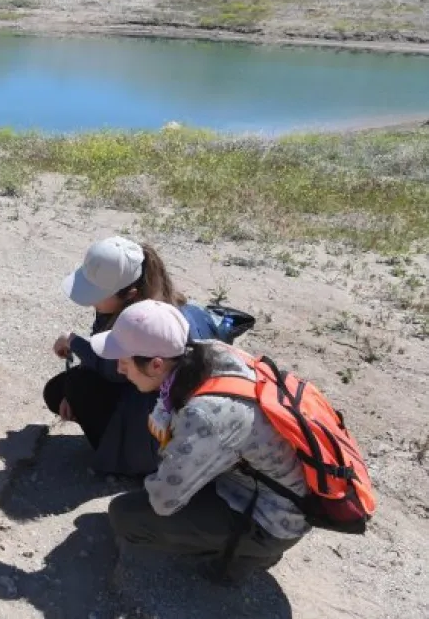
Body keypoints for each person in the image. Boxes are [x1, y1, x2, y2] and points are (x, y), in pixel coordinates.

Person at [91, 300, 309, 581]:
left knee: (125, 515)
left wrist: (161, 477)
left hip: (273, 519)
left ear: (157, 365)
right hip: (266, 484)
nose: (120, 370)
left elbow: (163, 501)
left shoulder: (203, 415)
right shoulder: (208, 351)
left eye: (124, 362)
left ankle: (252, 552)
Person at [44, 236, 219, 477]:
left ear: (130, 294)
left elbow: (115, 369)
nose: (91, 302)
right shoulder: (149, 305)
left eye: (97, 294)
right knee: (61, 389)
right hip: (153, 396)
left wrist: (74, 342)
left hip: (156, 427)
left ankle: (125, 459)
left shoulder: (145, 326)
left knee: (75, 387)